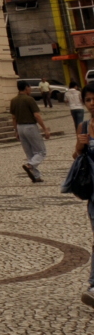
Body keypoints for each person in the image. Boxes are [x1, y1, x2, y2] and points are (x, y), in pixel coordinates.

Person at [74, 90, 94, 309]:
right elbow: (77, 158)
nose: (91, 103)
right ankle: (93, 286)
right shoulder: (84, 127)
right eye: (88, 100)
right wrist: (80, 146)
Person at [10, 79, 50, 183]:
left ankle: (36, 176)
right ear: (26, 88)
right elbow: (37, 115)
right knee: (41, 151)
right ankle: (30, 165)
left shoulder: (13, 100)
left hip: (20, 127)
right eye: (30, 87)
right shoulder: (29, 99)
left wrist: (16, 131)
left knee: (30, 153)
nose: (31, 89)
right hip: (30, 126)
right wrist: (45, 129)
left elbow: (13, 117)